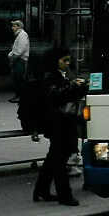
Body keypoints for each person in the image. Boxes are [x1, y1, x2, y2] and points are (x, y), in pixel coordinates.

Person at [33, 47, 87, 206]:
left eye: (69, 60)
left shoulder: (63, 75)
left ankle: (41, 190)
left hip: (63, 121)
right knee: (59, 160)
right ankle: (64, 194)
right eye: (64, 60)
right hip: (56, 122)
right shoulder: (50, 77)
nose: (67, 63)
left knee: (54, 158)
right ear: (55, 61)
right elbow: (56, 96)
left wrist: (79, 86)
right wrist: (74, 87)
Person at [7, 20, 30, 103]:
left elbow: (20, 51)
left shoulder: (22, 35)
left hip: (20, 60)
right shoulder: (19, 35)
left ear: (19, 27)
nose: (12, 28)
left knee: (19, 79)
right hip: (18, 59)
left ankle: (21, 96)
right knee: (16, 79)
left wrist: (12, 58)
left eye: (14, 26)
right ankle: (18, 96)